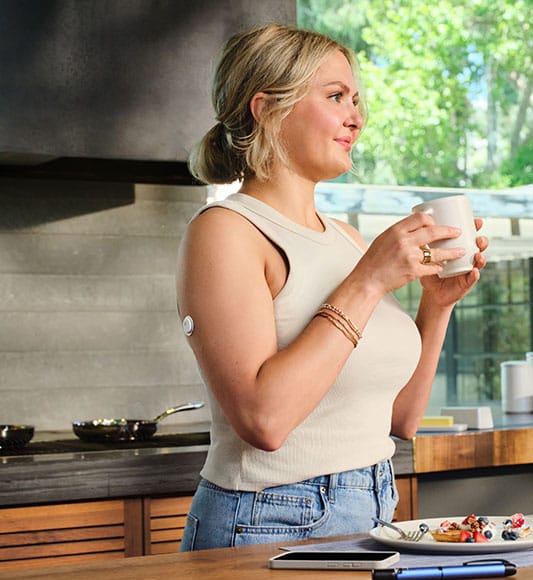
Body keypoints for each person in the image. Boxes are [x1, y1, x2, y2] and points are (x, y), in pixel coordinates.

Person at [176, 23, 488, 551]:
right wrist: (368, 281)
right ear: (267, 108)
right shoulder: (225, 232)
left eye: (358, 101)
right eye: (336, 96)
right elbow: (264, 421)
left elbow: (400, 419)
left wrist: (436, 307)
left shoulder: (345, 238)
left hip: (375, 507)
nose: (356, 118)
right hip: (269, 520)